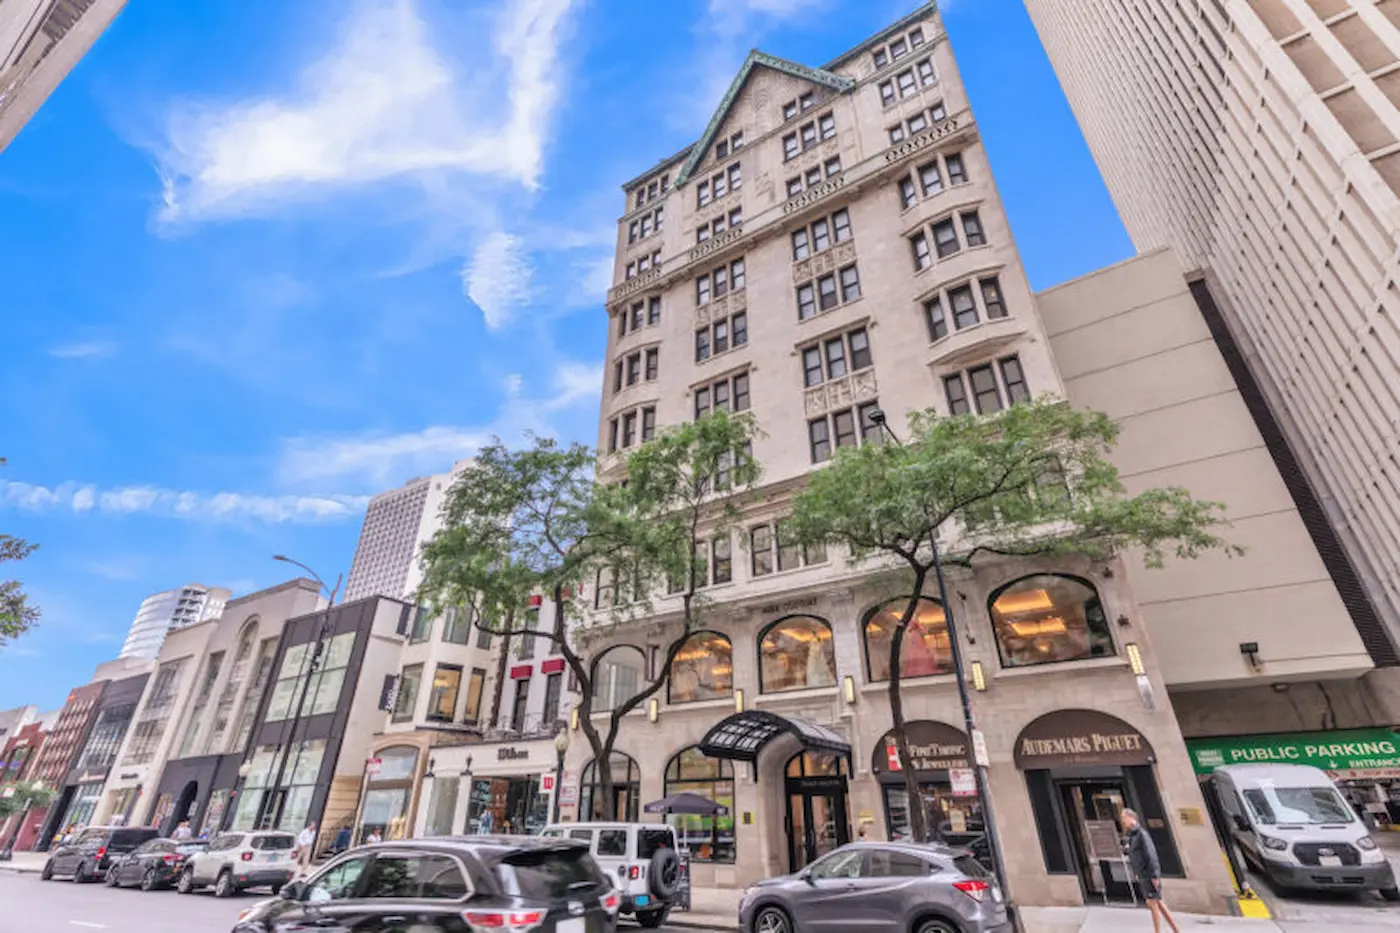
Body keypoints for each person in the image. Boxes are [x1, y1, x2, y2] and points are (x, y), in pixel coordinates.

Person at [1123, 809, 1180, 933]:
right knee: (1157, 903)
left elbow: (1151, 854)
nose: (1123, 821)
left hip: (1148, 874)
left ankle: (1158, 931)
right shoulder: (1133, 836)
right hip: (1143, 874)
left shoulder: (1141, 835)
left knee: (1152, 904)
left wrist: (1154, 875)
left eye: (1124, 818)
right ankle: (1175, 930)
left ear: (1131, 817)